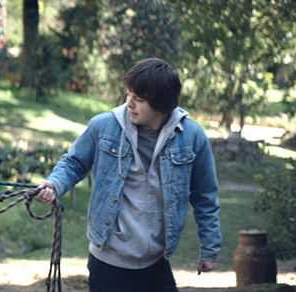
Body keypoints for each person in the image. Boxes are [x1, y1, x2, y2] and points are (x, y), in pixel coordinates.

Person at [36, 58, 221, 292]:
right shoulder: (103, 126)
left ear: (162, 105)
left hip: (157, 262)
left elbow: (205, 195)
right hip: (107, 262)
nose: (129, 103)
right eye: (128, 95)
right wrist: (54, 184)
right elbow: (74, 163)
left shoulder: (192, 137)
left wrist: (209, 248)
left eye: (139, 100)